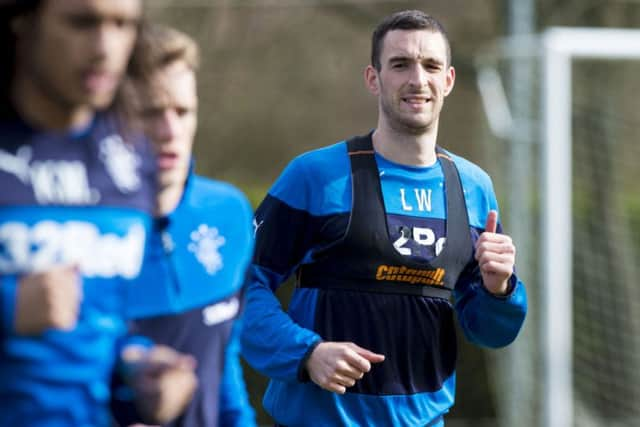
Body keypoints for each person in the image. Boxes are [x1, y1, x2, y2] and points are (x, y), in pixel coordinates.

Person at [241, 9, 527, 427]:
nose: (417, 79)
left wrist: (500, 289)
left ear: (447, 80)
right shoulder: (316, 176)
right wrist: (306, 353)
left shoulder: (474, 187)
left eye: (431, 65)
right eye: (400, 64)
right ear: (373, 78)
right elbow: (240, 286)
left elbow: (490, 332)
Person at [0, 1, 196, 426]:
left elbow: (102, 327)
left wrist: (138, 375)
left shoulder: (129, 160)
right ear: (24, 22)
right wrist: (11, 305)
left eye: (122, 24)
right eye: (81, 22)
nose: (105, 46)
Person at [110, 24, 256, 427]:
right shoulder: (84, 230)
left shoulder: (229, 212)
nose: (170, 132)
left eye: (182, 111)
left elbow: (224, 361)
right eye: (150, 113)